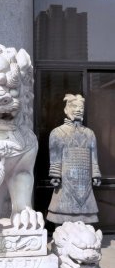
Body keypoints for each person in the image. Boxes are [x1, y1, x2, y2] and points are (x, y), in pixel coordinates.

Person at [47, 93, 101, 224]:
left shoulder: (90, 133)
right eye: (74, 106)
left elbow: (94, 156)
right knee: (62, 207)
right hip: (66, 179)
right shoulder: (57, 132)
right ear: (66, 110)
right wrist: (55, 175)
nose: (78, 110)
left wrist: (95, 174)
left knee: (86, 207)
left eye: (81, 107)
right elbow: (55, 157)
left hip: (84, 179)